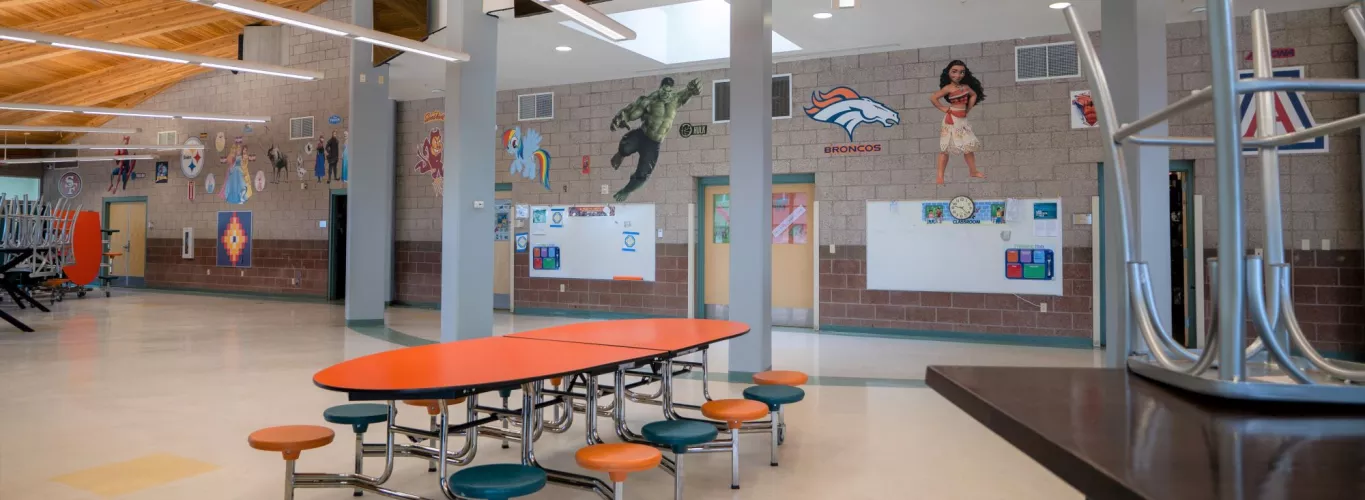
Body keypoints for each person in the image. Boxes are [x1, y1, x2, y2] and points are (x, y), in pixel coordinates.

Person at [608, 76, 702, 202]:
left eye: (669, 91)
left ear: (672, 90)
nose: (666, 94)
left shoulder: (676, 99)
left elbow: (689, 92)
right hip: (642, 134)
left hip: (654, 143)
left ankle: (626, 190)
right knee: (626, 145)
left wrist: (693, 89)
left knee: (643, 174)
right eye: (663, 90)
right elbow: (632, 112)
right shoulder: (650, 100)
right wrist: (620, 118)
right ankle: (620, 155)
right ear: (660, 88)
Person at [930, 60, 986, 184]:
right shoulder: (947, 88)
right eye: (954, 72)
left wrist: (968, 108)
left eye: (961, 72)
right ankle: (940, 176)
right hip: (951, 119)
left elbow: (974, 95)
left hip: (962, 120)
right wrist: (943, 108)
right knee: (945, 148)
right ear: (948, 73)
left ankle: (973, 171)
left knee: (968, 147)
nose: (958, 75)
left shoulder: (965, 87)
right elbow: (933, 97)